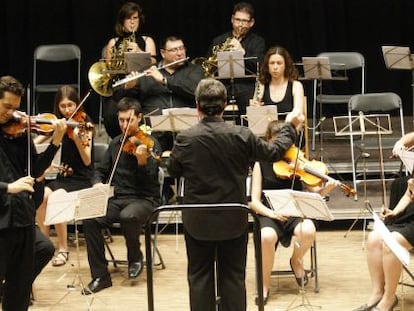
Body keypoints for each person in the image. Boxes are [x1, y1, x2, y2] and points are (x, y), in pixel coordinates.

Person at [167, 78, 303, 311]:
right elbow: (274, 152)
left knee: (200, 277)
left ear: (197, 106)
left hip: (198, 220)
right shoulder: (242, 135)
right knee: (232, 277)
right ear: (224, 106)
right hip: (233, 218)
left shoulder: (185, 138)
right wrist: (289, 126)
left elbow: (172, 170)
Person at [249, 120, 338, 305]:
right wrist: (272, 214)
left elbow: (315, 195)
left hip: (294, 212)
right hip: (269, 213)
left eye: (286, 142)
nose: (283, 147)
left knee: (308, 230)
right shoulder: (260, 163)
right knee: (266, 236)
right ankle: (264, 286)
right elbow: (254, 202)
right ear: (268, 141)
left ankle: (296, 261)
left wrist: (327, 189)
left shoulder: (298, 162)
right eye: (277, 141)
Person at [82, 97, 162, 295]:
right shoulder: (116, 143)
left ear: (139, 118)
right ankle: (100, 276)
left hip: (144, 199)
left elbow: (151, 181)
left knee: (129, 216)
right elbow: (99, 170)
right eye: (121, 120)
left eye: (129, 120)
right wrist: (97, 183)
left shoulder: (150, 143)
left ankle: (135, 257)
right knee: (90, 218)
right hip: (117, 198)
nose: (125, 125)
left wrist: (142, 162)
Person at [0, 75, 66, 310]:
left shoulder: (19, 132)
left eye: (16, 108)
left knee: (19, 291)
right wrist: (8, 187)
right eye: (7, 107)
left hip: (23, 220)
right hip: (1, 222)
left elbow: (36, 169)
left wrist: (56, 141)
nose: (13, 114)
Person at [34, 85, 94, 267]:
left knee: (55, 198)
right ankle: (44, 247)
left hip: (83, 178)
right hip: (64, 179)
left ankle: (63, 249)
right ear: (57, 107)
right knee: (41, 195)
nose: (67, 110)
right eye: (63, 106)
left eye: (70, 105)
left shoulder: (85, 125)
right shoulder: (60, 124)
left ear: (77, 104)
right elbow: (35, 144)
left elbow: (87, 161)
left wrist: (77, 139)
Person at [128, 35, 204, 151]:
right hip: (153, 130)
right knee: (134, 147)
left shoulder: (195, 70)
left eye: (181, 48)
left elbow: (195, 91)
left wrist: (165, 81)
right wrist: (129, 87)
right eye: (174, 50)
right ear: (163, 53)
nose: (180, 53)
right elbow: (124, 99)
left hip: (187, 130)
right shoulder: (147, 71)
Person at [103, 1, 157, 139]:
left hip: (141, 84)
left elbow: (153, 64)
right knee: (110, 109)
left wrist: (139, 51)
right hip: (121, 85)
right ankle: (118, 140)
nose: (132, 22)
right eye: (128, 18)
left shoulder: (147, 40)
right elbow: (109, 69)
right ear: (122, 22)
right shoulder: (113, 42)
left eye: (135, 18)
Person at [206, 2, 265, 116]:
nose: (240, 24)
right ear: (232, 19)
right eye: (238, 20)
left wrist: (242, 52)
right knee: (211, 105)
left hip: (246, 86)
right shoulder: (219, 40)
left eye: (244, 21)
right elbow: (209, 65)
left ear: (251, 22)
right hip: (222, 85)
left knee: (249, 110)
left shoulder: (258, 42)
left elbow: (259, 65)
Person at [250, 46, 305, 115]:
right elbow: (254, 114)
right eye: (272, 63)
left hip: (288, 125)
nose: (275, 67)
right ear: (267, 66)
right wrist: (256, 109)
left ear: (286, 65)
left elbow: (298, 114)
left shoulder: (296, 86)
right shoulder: (261, 85)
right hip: (268, 125)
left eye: (279, 63)